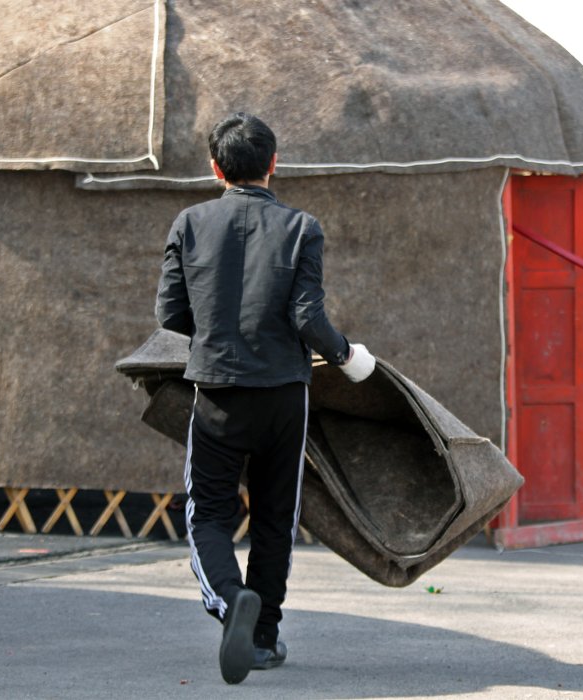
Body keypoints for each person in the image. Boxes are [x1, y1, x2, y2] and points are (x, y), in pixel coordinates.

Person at [155, 112, 376, 684]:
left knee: (209, 512)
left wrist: (214, 332)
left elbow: (169, 316)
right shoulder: (302, 228)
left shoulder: (189, 223)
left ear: (215, 167)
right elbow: (308, 317)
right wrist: (349, 356)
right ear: (274, 164)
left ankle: (231, 601)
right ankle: (265, 638)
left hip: (219, 395)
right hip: (284, 396)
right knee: (276, 518)